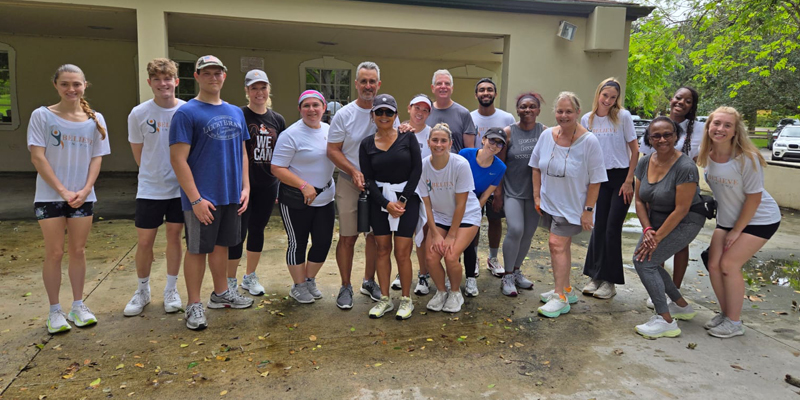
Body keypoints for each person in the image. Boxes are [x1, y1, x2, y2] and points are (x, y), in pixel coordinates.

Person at [170, 55, 254, 331]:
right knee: (197, 250)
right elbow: (178, 159)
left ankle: (220, 294)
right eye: (207, 73)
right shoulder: (186, 113)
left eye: (218, 72)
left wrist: (245, 187)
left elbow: (242, 152)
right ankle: (194, 304)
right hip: (202, 198)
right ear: (196, 77)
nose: (213, 77)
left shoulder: (235, 112)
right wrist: (195, 199)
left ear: (224, 76)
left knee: (223, 246)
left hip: (230, 195)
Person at [28, 64, 111, 333]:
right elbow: (38, 157)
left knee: (78, 251)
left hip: (82, 197)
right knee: (54, 252)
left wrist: (86, 189)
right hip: (50, 196)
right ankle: (55, 311)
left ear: (85, 85)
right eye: (65, 84)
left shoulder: (95, 119)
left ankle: (78, 305)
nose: (71, 89)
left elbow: (97, 158)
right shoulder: (42, 116)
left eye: (76, 84)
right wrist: (63, 191)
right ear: (56, 85)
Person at [697, 107, 781, 338]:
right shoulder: (707, 155)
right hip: (728, 219)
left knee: (729, 265)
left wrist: (736, 231)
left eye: (727, 125)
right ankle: (726, 314)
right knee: (713, 264)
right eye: (716, 124)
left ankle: (734, 322)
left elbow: (754, 199)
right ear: (708, 127)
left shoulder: (747, 158)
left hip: (760, 219)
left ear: (735, 131)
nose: (720, 129)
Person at [529, 92, 607, 318]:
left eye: (569, 111)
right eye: (560, 111)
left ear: (578, 113)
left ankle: (559, 298)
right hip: (549, 202)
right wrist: (537, 196)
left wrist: (588, 210)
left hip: (573, 205)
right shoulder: (546, 136)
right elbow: (535, 166)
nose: (563, 116)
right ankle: (566, 289)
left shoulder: (589, 141)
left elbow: (597, 179)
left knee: (556, 245)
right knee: (561, 246)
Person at [327, 62, 398, 309]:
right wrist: (353, 171)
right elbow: (332, 150)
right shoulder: (344, 114)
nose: (368, 86)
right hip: (349, 181)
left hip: (378, 185)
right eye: (363, 81)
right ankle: (345, 285)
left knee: (375, 238)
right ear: (356, 84)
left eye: (372, 81)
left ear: (379, 84)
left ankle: (369, 281)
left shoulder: (387, 112)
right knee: (348, 237)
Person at [632, 116, 704, 339]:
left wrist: (657, 238)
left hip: (686, 219)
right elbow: (639, 200)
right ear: (649, 139)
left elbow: (682, 209)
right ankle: (681, 306)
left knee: (644, 261)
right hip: (656, 219)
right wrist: (647, 231)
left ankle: (665, 321)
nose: (662, 139)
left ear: (676, 137)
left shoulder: (685, 167)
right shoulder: (644, 162)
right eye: (656, 135)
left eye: (667, 134)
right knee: (645, 259)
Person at [124, 58, 185, 317]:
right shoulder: (139, 113)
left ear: (176, 82)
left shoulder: (186, 110)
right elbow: (139, 153)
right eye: (157, 79)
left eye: (167, 78)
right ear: (150, 83)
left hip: (180, 188)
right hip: (150, 189)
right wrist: (153, 173)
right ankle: (142, 290)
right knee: (145, 241)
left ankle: (171, 289)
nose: (163, 84)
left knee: (174, 237)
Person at [359, 94, 422, 319]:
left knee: (403, 252)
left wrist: (402, 200)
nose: (384, 116)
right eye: (379, 112)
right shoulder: (366, 144)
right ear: (373, 115)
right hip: (380, 201)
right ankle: (385, 299)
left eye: (389, 112)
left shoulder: (408, 138)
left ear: (396, 115)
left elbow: (416, 170)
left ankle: (406, 299)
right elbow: (367, 179)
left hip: (407, 200)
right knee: (382, 249)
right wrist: (386, 203)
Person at [271, 90, 336, 304]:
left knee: (322, 242)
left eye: (316, 105)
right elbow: (277, 167)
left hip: (325, 199)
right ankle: (298, 286)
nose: (311, 110)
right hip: (296, 200)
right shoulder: (290, 134)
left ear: (324, 108)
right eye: (306, 106)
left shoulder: (329, 130)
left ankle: (309, 279)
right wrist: (303, 185)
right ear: (299, 109)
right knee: (297, 243)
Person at [640, 87, 702, 307]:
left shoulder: (698, 131)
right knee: (653, 252)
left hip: (682, 196)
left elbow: (701, 157)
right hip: (658, 196)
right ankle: (660, 287)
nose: (681, 102)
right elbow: (646, 166)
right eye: (678, 98)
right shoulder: (655, 131)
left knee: (675, 245)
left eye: (687, 100)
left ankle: (673, 295)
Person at [226, 69, 286, 296]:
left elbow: (281, 155)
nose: (259, 92)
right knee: (237, 233)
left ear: (268, 89)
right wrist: (241, 185)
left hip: (268, 184)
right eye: (254, 88)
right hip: (243, 186)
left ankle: (249, 276)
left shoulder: (277, 119)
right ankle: (230, 281)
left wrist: (280, 183)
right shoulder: (238, 115)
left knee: (258, 229)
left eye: (262, 87)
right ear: (247, 91)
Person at [580, 78, 639, 299]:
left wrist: (628, 179)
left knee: (613, 228)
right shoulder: (588, 119)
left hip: (620, 177)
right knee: (598, 227)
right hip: (598, 178)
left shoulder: (622, 117)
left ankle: (610, 282)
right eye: (605, 95)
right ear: (598, 94)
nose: (608, 100)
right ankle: (595, 276)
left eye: (613, 97)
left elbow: (635, 150)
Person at [418, 123, 482, 313]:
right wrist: (436, 234)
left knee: (451, 255)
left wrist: (451, 236)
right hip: (439, 216)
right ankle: (441, 291)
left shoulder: (460, 165)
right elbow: (426, 204)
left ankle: (455, 292)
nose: (439, 144)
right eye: (435, 140)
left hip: (466, 215)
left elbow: (461, 204)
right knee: (431, 256)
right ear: (428, 142)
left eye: (443, 141)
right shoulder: (423, 166)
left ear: (450, 143)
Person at [498, 93, 546, 296]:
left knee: (528, 234)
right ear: (517, 110)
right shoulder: (508, 132)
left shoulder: (544, 132)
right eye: (523, 107)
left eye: (532, 106)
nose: (528, 110)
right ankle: (507, 275)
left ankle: (517, 271)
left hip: (535, 194)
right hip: (512, 191)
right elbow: (499, 165)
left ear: (538, 110)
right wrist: (498, 192)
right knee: (516, 230)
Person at [470, 78, 516, 277]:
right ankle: (474, 258)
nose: (486, 93)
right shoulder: (469, 117)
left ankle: (493, 257)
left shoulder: (507, 118)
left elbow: (511, 147)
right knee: (473, 220)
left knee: (495, 218)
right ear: (476, 95)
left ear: (495, 94)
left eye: (489, 89)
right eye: (481, 90)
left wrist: (499, 187)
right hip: (474, 179)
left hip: (496, 175)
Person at [390, 94, 434, 295]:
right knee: (403, 236)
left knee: (422, 235)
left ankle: (423, 276)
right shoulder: (398, 131)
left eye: (425, 110)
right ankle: (402, 272)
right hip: (402, 191)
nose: (421, 113)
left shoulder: (432, 134)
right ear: (409, 108)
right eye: (417, 108)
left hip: (425, 192)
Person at [459, 128, 507, 297]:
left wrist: (472, 212)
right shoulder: (465, 154)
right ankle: (453, 277)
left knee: (469, 240)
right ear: (483, 139)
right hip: (456, 199)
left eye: (499, 143)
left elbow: (487, 194)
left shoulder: (500, 167)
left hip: (475, 202)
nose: (494, 145)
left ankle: (470, 278)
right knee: (454, 242)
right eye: (492, 140)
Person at [426, 69, 477, 153]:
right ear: (433, 88)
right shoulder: (426, 112)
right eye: (439, 83)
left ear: (452, 88)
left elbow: (470, 150)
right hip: (429, 164)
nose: (443, 86)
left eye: (447, 83)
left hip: (455, 165)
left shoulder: (463, 113)